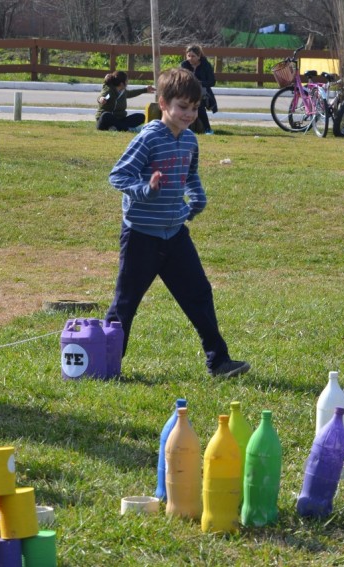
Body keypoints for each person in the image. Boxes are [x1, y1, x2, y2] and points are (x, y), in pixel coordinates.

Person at [104, 67, 249, 378]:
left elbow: (190, 176)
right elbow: (118, 176)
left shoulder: (189, 141)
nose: (189, 114)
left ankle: (220, 361)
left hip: (175, 235)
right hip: (141, 236)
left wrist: (197, 196)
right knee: (124, 304)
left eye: (194, 108)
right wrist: (146, 189)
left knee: (199, 293)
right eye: (183, 107)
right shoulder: (148, 138)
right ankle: (106, 364)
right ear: (163, 103)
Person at [180, 45, 217, 135]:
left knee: (199, 106)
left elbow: (212, 82)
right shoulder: (184, 65)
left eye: (193, 56)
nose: (190, 58)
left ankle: (207, 129)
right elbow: (180, 80)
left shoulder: (206, 65)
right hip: (187, 91)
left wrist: (199, 83)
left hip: (203, 92)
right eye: (188, 56)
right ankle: (185, 129)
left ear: (199, 56)